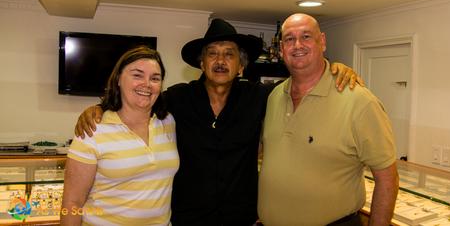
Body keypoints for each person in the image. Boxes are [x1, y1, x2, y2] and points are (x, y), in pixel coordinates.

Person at [74, 18, 361, 226]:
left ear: (241, 65)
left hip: (243, 219)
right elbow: (137, 102)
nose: (220, 61)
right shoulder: (177, 99)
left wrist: (334, 68)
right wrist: (98, 109)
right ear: (202, 63)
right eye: (212, 54)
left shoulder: (263, 97)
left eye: (229, 54)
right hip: (187, 220)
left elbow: (302, 82)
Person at [258, 13, 399, 226]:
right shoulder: (274, 96)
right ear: (281, 49)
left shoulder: (359, 101)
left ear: (322, 41)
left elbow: (387, 178)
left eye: (306, 36)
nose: (297, 45)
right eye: (289, 39)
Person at [61, 46, 179, 225]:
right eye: (137, 75)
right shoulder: (93, 129)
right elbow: (72, 203)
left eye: (155, 78)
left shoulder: (167, 123)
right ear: (118, 79)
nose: (146, 84)